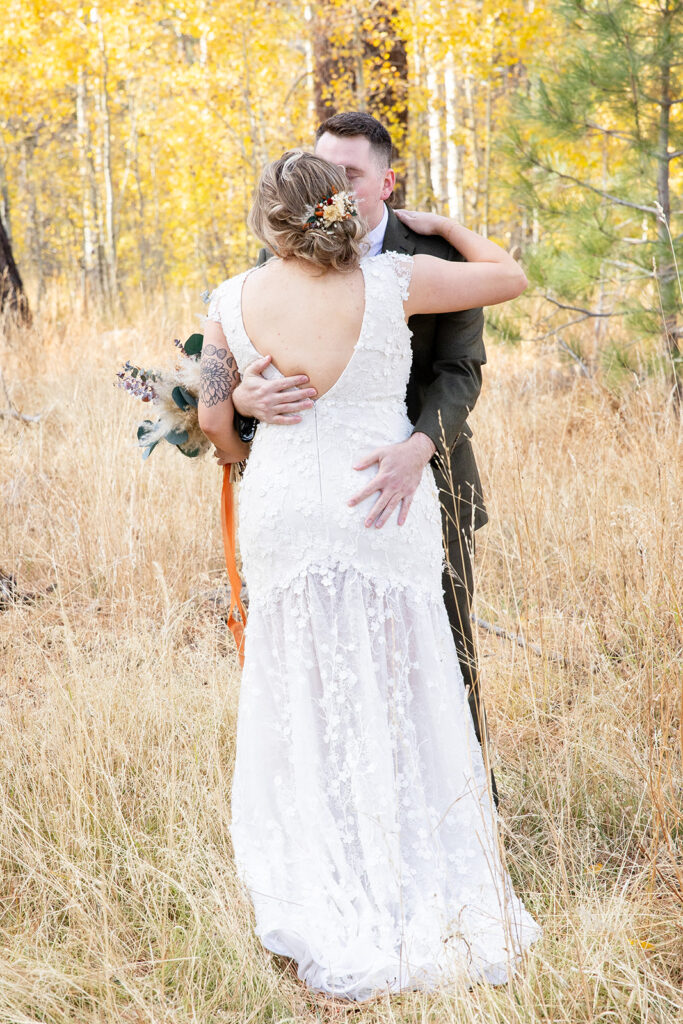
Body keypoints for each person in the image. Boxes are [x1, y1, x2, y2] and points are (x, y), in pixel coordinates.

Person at [198, 150, 539, 1001]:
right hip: (379, 505)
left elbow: (213, 418)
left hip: (284, 508)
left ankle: (320, 873)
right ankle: (417, 866)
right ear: (340, 210)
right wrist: (445, 226)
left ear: (267, 220)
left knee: (300, 688)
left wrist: (245, 429)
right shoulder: (394, 280)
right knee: (403, 681)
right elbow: (509, 277)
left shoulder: (230, 301)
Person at [231, 112, 497, 805]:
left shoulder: (425, 257)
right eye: (322, 170)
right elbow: (243, 361)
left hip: (424, 481)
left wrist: (418, 448)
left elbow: (459, 370)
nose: (329, 186)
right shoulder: (279, 258)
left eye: (346, 174)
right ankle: (342, 804)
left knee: (439, 646)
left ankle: (459, 805)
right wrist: (246, 397)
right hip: (314, 499)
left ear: (385, 180)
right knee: (325, 664)